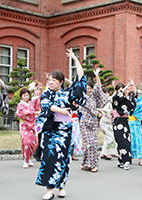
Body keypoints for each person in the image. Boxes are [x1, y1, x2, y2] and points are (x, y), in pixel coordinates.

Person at [35, 48, 86, 200]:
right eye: (49, 80)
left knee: (63, 158)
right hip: (51, 130)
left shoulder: (68, 93)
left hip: (65, 130)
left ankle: (61, 186)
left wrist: (75, 59)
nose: (50, 82)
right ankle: (50, 189)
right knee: (50, 157)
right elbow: (47, 105)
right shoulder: (46, 94)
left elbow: (81, 78)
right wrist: (61, 111)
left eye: (54, 80)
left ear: (61, 82)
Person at [79, 68, 109, 173]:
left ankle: (94, 165)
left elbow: (99, 87)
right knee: (87, 145)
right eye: (86, 88)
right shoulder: (81, 97)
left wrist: (97, 76)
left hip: (93, 123)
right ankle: (87, 164)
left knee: (93, 144)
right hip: (83, 123)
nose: (88, 90)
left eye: (90, 88)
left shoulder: (93, 96)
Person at [112, 79, 137, 170]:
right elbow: (117, 96)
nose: (122, 91)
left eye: (124, 89)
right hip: (117, 122)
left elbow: (135, 96)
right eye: (120, 89)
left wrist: (132, 86)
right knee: (119, 142)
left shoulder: (128, 99)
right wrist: (125, 88)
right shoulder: (115, 98)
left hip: (125, 121)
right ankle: (120, 159)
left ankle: (126, 161)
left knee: (126, 141)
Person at [17, 88, 40, 169]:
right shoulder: (20, 105)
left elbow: (38, 103)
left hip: (32, 125)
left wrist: (38, 92)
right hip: (24, 125)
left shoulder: (31, 103)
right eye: (24, 95)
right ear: (21, 97)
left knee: (34, 142)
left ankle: (29, 158)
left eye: (27, 95)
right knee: (26, 142)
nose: (26, 97)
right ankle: (25, 160)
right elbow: (22, 113)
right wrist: (34, 113)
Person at [128, 89, 142, 166]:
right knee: (130, 140)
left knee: (139, 141)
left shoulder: (139, 104)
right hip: (129, 124)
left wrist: (141, 93)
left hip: (137, 124)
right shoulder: (128, 104)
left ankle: (140, 158)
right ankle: (130, 155)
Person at [99, 87, 117, 160]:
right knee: (111, 136)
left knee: (107, 138)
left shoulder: (110, 100)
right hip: (104, 122)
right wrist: (104, 112)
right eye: (105, 93)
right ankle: (107, 152)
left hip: (109, 122)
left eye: (107, 93)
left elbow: (115, 95)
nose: (106, 94)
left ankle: (103, 153)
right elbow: (100, 109)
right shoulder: (101, 101)